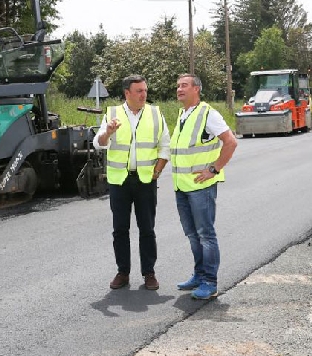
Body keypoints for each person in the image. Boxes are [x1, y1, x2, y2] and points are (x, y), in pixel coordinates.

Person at [93, 75, 170, 290]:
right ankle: (123, 272)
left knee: (147, 229)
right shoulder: (112, 113)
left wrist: (158, 169)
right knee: (120, 229)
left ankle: (149, 273)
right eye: (139, 91)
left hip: (146, 180)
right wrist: (107, 132)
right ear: (127, 93)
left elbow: (165, 144)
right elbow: (99, 143)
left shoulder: (155, 113)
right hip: (119, 181)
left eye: (145, 90)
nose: (144, 94)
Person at [170, 73, 237, 300]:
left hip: (201, 187)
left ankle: (210, 282)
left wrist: (214, 168)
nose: (179, 89)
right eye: (178, 85)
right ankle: (199, 275)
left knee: (205, 234)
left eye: (184, 85)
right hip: (182, 187)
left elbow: (230, 142)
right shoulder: (183, 114)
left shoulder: (208, 114)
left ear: (196, 89)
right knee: (192, 234)